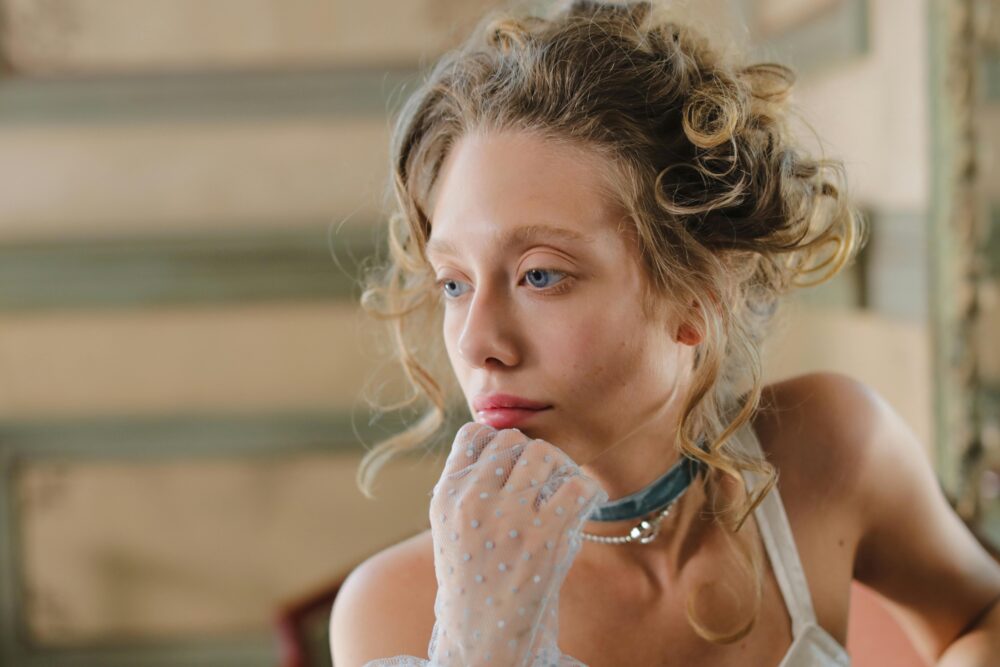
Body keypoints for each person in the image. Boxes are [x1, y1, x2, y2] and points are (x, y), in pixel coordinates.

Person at [330, 1, 1000, 665]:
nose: (478, 342)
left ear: (696, 294)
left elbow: (981, 612)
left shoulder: (832, 452)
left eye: (539, 276)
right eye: (454, 282)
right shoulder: (391, 609)